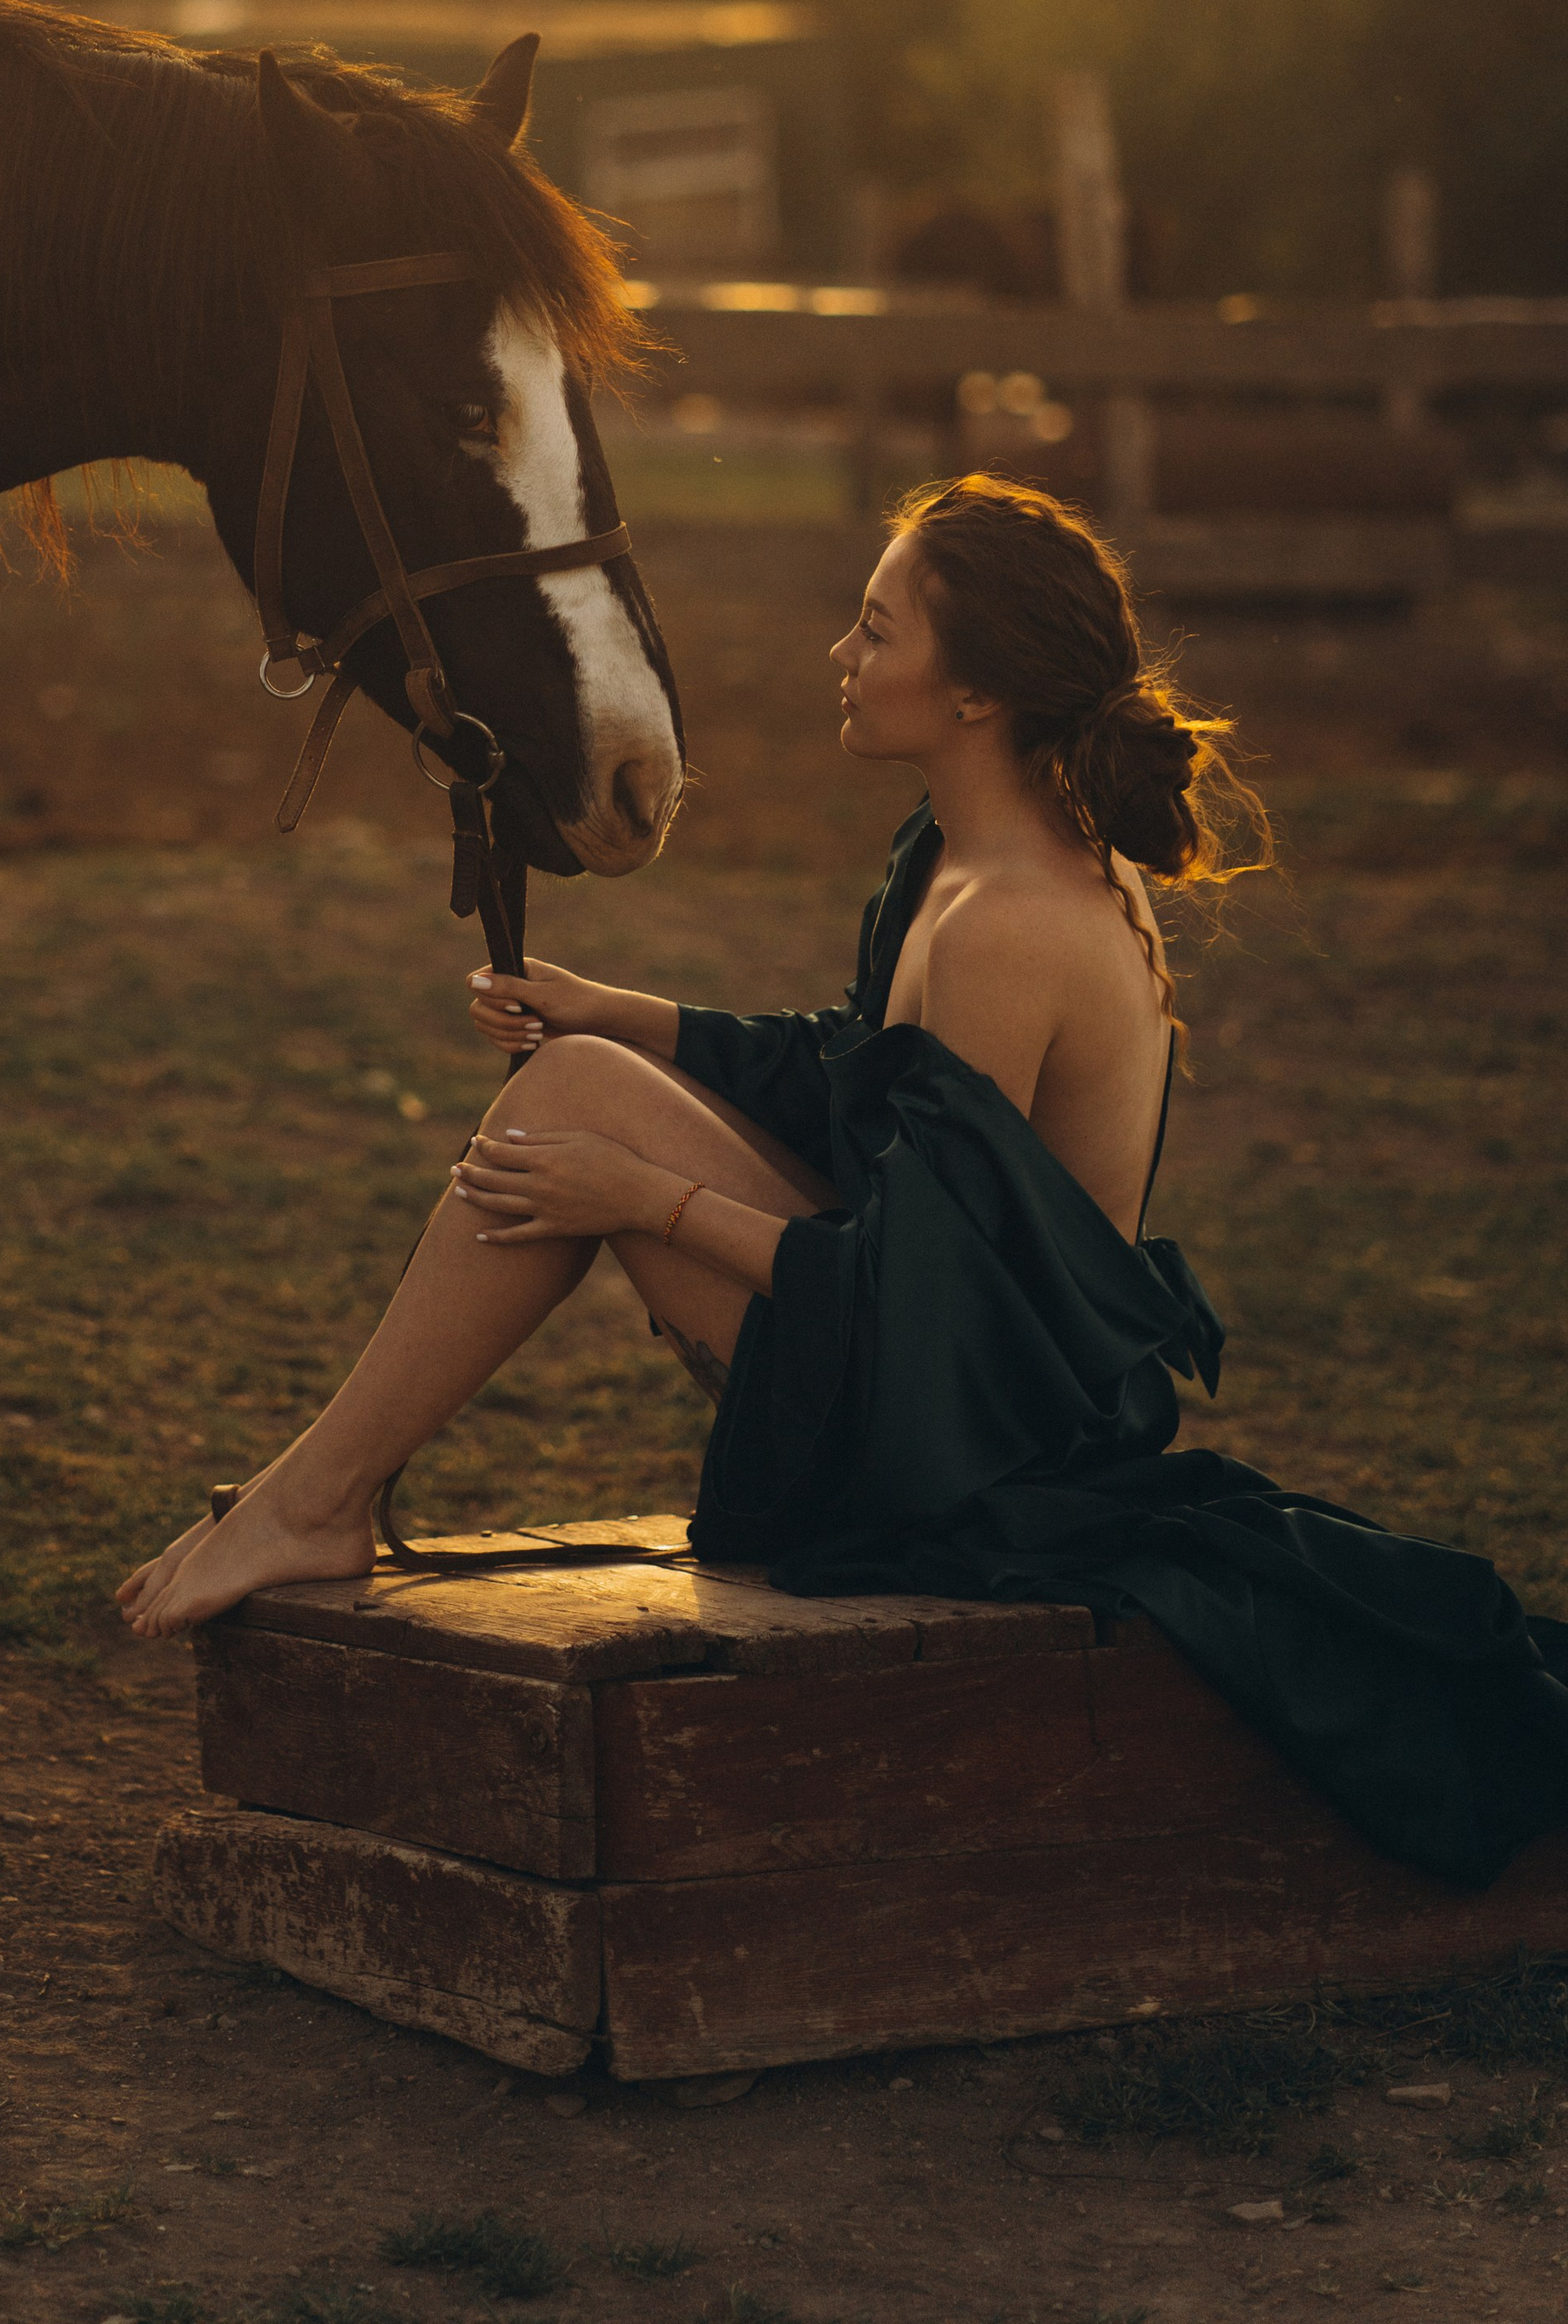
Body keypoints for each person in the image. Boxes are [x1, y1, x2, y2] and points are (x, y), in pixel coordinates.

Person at [119, 474, 1568, 1890]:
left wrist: (639, 1197)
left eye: (877, 630)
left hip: (973, 1439)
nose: (840, 654)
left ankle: (316, 1496)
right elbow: (859, 1081)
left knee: (573, 1111)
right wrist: (621, 1011)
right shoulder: (958, 853)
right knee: (581, 1075)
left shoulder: (1011, 921)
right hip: (943, 1367)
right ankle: (318, 1491)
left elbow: (918, 1290)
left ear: (976, 691)